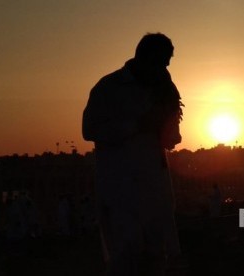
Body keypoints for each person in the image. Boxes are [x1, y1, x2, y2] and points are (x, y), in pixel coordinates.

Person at [82, 33, 183, 276]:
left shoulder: (163, 89)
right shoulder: (108, 88)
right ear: (146, 57)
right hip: (121, 192)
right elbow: (89, 130)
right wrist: (137, 125)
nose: (167, 67)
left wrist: (168, 129)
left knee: (158, 259)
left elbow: (171, 140)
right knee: (125, 261)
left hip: (155, 190)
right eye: (163, 60)